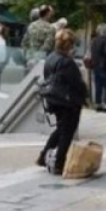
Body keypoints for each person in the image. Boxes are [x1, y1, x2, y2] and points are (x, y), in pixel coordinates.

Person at [38, 29, 90, 174]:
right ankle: (59, 162)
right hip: (68, 102)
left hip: (54, 99)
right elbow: (77, 84)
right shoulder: (67, 63)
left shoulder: (51, 57)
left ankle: (44, 156)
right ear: (69, 45)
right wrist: (85, 96)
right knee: (67, 132)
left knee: (61, 128)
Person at [89, 24, 106, 113]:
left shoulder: (94, 40)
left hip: (95, 66)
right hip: (104, 66)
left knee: (98, 85)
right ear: (105, 32)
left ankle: (98, 104)